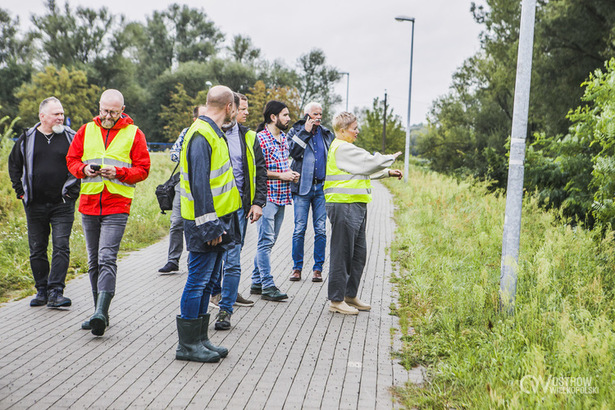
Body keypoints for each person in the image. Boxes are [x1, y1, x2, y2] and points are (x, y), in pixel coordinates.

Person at [66, 89, 150, 336]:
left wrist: (120, 173)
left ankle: (102, 312)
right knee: (93, 261)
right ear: (99, 107)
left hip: (117, 204)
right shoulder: (85, 130)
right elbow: (71, 160)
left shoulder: (134, 133)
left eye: (113, 112)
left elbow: (143, 169)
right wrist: (83, 170)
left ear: (122, 110)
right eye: (105, 110)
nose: (108, 116)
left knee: (106, 257)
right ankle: (98, 313)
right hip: (89, 204)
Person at [176, 85, 240, 363]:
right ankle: (187, 345)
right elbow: (200, 185)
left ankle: (200, 339)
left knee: (208, 281)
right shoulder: (201, 135)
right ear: (229, 107)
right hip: (205, 223)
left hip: (216, 221)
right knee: (198, 281)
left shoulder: (211, 132)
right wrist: (210, 227)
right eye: (235, 108)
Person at [324, 112, 402, 315]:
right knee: (342, 254)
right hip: (344, 205)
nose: (357, 131)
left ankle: (350, 295)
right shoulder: (343, 147)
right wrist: (389, 159)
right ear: (342, 131)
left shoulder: (346, 148)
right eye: (354, 128)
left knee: (358, 254)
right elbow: (369, 162)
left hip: (355, 205)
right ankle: (336, 300)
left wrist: (387, 173)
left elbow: (361, 170)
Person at [8, 97, 80, 308]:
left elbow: (79, 166)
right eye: (56, 114)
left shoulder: (71, 137)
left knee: (61, 246)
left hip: (62, 204)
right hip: (34, 204)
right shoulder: (27, 138)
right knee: (37, 248)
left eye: (61, 113)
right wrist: (20, 192)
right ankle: (41, 291)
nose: (61, 117)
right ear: (42, 116)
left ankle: (56, 291)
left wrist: (72, 193)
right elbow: (14, 165)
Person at [211, 93, 267, 331]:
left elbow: (260, 171)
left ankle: (225, 310)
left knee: (233, 261)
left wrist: (258, 203)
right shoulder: (208, 133)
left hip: (238, 210)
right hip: (211, 210)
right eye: (236, 107)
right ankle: (209, 300)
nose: (237, 112)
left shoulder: (249, 137)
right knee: (211, 262)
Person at [250, 100, 299, 302]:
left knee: (269, 242)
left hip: (281, 196)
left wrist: (289, 174)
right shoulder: (260, 139)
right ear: (273, 117)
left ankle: (256, 281)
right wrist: (281, 176)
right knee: (265, 241)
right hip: (266, 197)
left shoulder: (285, 138)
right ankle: (268, 286)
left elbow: (281, 167)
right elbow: (257, 171)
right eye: (285, 115)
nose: (288, 119)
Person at [287, 102, 335, 282]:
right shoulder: (296, 131)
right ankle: (297, 268)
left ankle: (317, 269)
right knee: (299, 229)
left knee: (321, 229)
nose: (319, 117)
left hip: (321, 188)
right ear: (307, 114)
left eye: (320, 114)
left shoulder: (326, 133)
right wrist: (305, 132)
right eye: (315, 114)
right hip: (302, 188)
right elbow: (293, 152)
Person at [158, 104, 206, 274]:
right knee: (177, 222)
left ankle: (195, 262)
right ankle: (172, 260)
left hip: (205, 186)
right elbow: (174, 153)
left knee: (200, 222)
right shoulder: (186, 132)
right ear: (195, 119)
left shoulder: (212, 133)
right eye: (203, 115)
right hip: (183, 185)